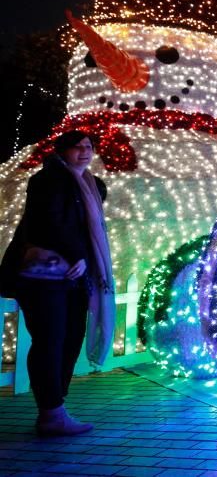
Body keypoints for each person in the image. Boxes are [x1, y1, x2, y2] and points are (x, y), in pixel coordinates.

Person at [0, 131, 116, 436]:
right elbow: (46, 223)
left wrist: (86, 260)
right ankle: (51, 412)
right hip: (43, 276)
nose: (85, 151)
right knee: (50, 339)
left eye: (89, 146)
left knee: (71, 336)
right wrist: (75, 254)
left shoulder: (91, 185)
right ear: (61, 151)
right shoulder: (47, 181)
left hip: (76, 275)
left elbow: (92, 232)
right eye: (77, 147)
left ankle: (56, 405)